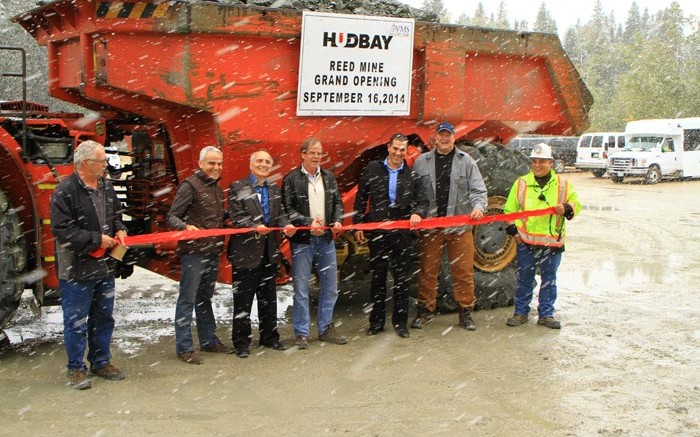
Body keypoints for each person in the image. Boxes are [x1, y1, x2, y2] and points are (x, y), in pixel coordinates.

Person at [50, 140, 128, 390]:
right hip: (76, 269)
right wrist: (96, 239)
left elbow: (116, 213)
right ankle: (75, 368)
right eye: (102, 161)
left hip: (105, 267)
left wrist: (121, 229)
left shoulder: (105, 185)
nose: (106, 165)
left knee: (103, 317)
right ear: (85, 163)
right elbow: (63, 231)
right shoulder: (65, 190)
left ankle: (101, 361)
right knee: (76, 321)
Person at [411, 122, 488, 331]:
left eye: (448, 135)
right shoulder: (421, 162)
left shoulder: (467, 161)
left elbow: (478, 190)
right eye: (441, 135)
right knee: (428, 271)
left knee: (463, 271)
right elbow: (414, 193)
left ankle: (465, 312)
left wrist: (479, 207)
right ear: (435, 137)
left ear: (454, 137)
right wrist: (416, 213)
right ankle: (425, 310)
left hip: (460, 227)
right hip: (431, 228)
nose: (444, 139)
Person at [352, 133, 428, 338]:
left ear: (406, 151)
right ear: (388, 147)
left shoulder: (412, 176)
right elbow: (361, 197)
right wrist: (358, 224)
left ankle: (400, 323)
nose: (398, 153)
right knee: (377, 278)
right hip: (378, 231)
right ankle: (376, 322)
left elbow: (422, 202)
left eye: (402, 150)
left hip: (402, 233)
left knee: (401, 279)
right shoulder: (372, 169)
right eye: (395, 148)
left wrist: (417, 213)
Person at [504, 143, 581, 329]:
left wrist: (567, 208)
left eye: (542, 162)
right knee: (524, 279)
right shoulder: (521, 183)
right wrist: (514, 232)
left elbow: (576, 204)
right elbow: (509, 210)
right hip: (527, 242)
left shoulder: (563, 184)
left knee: (549, 280)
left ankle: (546, 314)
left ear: (551, 163)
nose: (537, 165)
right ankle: (520, 313)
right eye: (534, 161)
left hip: (551, 243)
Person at [227, 151, 296, 358]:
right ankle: (241, 342)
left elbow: (281, 214)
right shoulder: (237, 187)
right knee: (243, 301)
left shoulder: (274, 188)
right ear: (251, 164)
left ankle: (269, 337)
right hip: (245, 252)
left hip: (269, 252)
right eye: (260, 161)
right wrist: (254, 227)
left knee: (269, 298)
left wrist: (286, 225)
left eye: (267, 161)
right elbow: (236, 217)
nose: (264, 164)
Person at [282, 137, 347, 349]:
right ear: (303, 154)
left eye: (319, 153)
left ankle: (325, 328)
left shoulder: (329, 177)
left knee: (330, 287)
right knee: (301, 289)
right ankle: (301, 333)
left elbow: (337, 202)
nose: (317, 157)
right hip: (303, 242)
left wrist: (337, 220)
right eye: (313, 153)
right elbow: (288, 210)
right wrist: (308, 223)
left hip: (326, 241)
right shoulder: (291, 179)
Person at [168, 146, 231, 364]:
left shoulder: (215, 187)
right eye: (212, 163)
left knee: (204, 298)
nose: (216, 167)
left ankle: (208, 340)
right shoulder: (189, 186)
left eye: (219, 164)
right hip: (194, 253)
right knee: (187, 299)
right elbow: (172, 216)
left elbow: (218, 216)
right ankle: (184, 347)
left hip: (212, 251)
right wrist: (185, 227)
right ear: (201, 163)